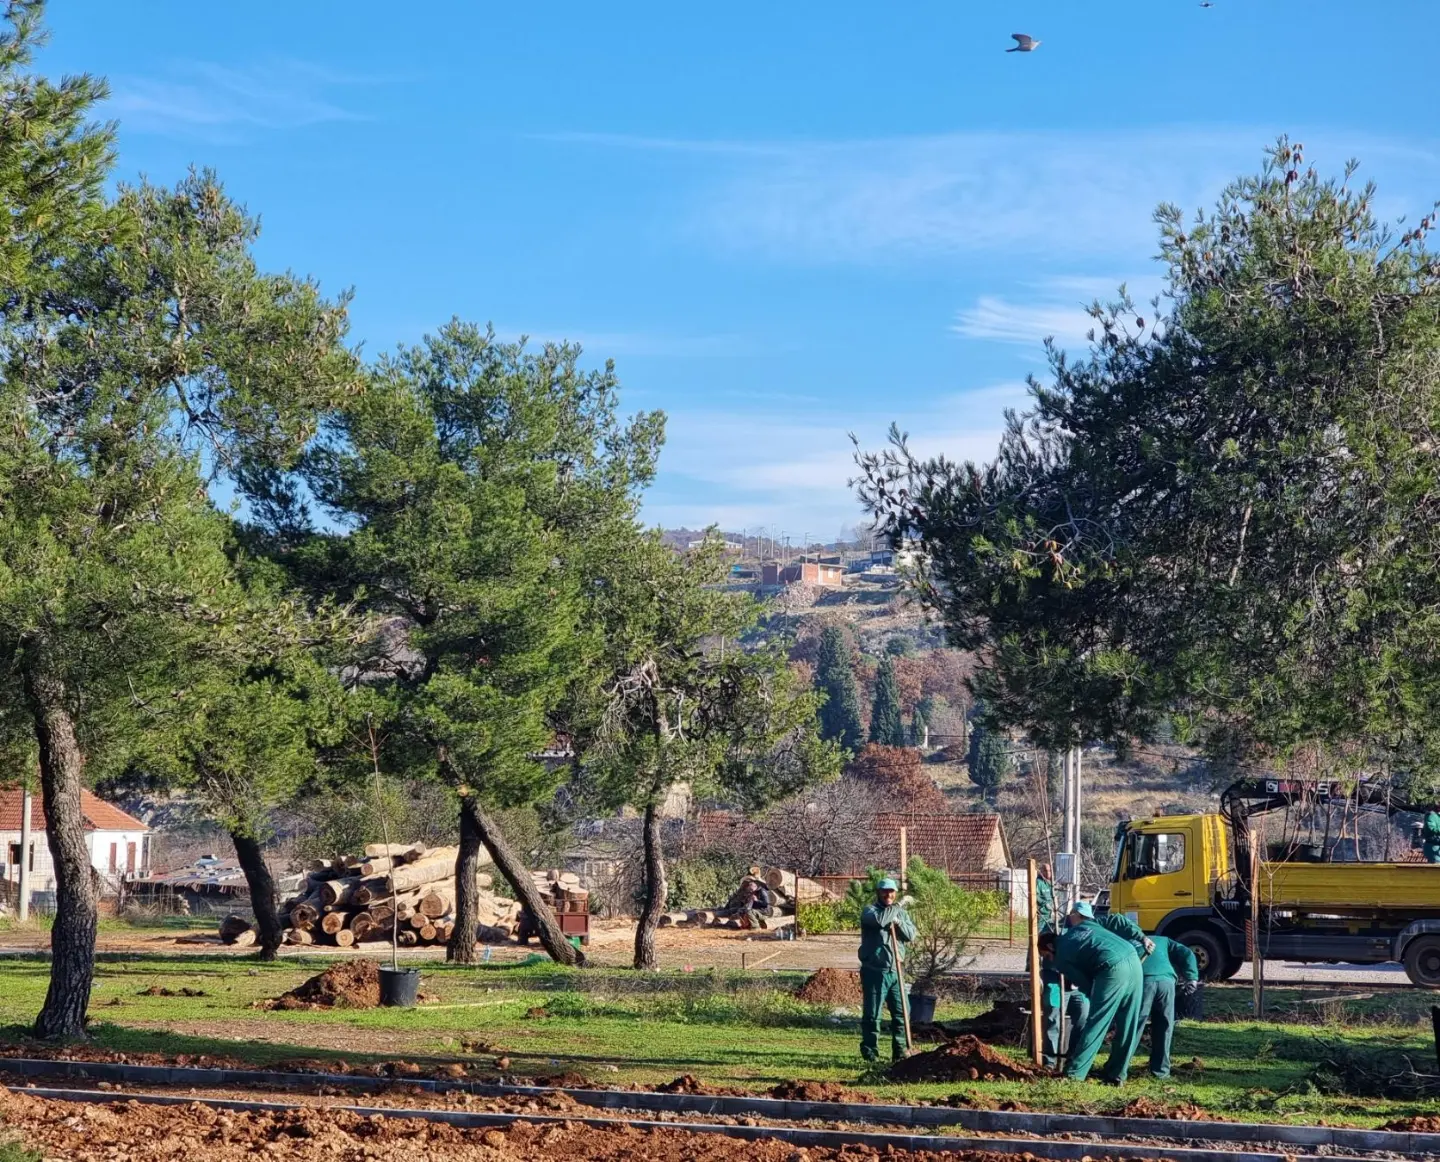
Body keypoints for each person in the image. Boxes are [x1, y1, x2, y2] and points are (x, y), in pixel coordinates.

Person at [1038, 915, 1145, 1084]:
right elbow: (1115, 920)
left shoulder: (1061, 957)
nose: (1049, 960)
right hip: (1134, 960)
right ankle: (1116, 1073)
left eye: (1046, 956)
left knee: (1096, 1023)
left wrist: (1098, 999)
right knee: (1128, 1022)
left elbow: (1084, 984)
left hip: (1112, 968)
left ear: (1051, 946)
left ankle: (1074, 1074)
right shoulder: (1083, 926)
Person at [858, 876, 916, 1063]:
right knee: (873, 1014)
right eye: (884, 891)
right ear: (878, 892)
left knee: (902, 1012)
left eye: (891, 892)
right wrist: (897, 907)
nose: (888, 895)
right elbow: (882, 921)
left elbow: (911, 935)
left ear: (895, 893)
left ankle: (900, 1051)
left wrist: (899, 923)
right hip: (875, 971)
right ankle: (870, 1053)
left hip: (895, 971)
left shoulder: (901, 914)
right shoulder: (870, 911)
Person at [1140, 935, 1199, 1079]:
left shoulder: (1125, 940)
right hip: (1166, 982)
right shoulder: (1163, 940)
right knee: (1164, 1026)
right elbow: (1187, 953)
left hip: (1143, 981)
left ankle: (1118, 1071)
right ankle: (1161, 1071)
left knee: (1134, 1025)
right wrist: (1192, 978)